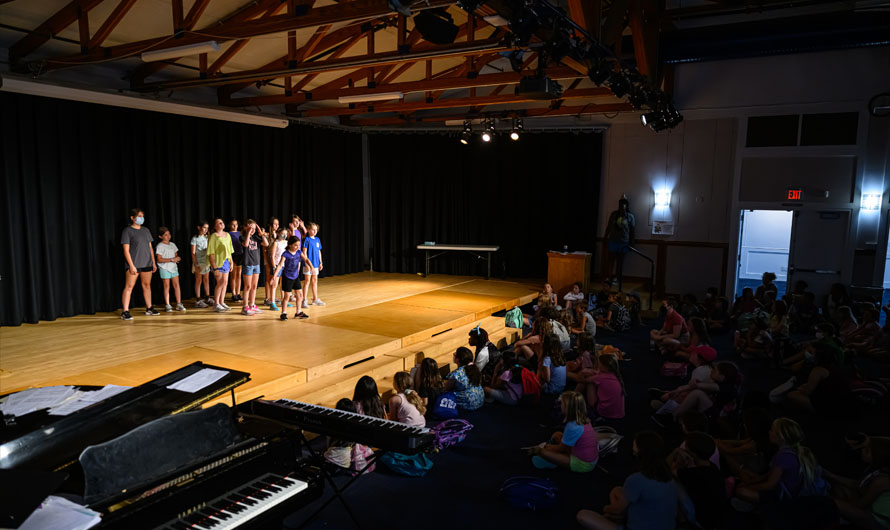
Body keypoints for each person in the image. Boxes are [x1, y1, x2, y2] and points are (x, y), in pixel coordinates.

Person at [576, 431, 683, 530]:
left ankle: (619, 523)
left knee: (583, 516)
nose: (632, 446)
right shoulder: (669, 478)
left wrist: (606, 509)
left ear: (640, 452)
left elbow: (618, 510)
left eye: (634, 445)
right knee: (617, 490)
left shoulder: (636, 479)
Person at [733, 417, 826, 507]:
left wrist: (749, 487)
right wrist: (752, 481)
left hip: (784, 498)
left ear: (781, 437)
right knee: (746, 478)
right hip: (788, 492)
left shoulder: (783, 456)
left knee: (740, 490)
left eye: (772, 430)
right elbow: (769, 475)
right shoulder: (793, 451)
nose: (769, 432)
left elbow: (770, 485)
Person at [825, 436, 890, 530]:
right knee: (838, 489)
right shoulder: (877, 471)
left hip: (880, 520)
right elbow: (858, 485)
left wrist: (845, 502)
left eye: (867, 450)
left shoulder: (881, 481)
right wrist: (830, 476)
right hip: (870, 509)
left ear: (879, 455)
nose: (862, 451)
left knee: (835, 503)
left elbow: (860, 504)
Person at [527, 391, 599, 472]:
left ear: (568, 408)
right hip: (586, 455)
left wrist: (546, 447)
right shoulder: (583, 418)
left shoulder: (572, 426)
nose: (560, 406)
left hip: (583, 464)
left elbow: (561, 448)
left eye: (562, 404)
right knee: (557, 434)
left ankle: (552, 459)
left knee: (542, 452)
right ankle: (555, 455)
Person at [669, 433, 725, 530]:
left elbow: (667, 471)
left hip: (701, 521)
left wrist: (676, 453)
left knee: (672, 483)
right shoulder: (713, 468)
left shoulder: (691, 474)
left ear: (693, 453)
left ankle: (682, 520)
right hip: (717, 519)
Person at [120, 208, 158, 320]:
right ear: (132, 218)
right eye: (139, 216)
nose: (141, 218)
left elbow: (150, 247)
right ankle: (125, 311)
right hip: (134, 263)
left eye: (142, 216)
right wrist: (131, 265)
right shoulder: (127, 231)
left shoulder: (146, 230)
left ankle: (149, 308)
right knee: (129, 287)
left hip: (147, 263)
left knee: (147, 285)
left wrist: (153, 262)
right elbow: (126, 250)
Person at [324, 398, 375, 474]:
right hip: (345, 464)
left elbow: (329, 443)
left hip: (329, 459)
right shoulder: (354, 426)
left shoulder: (332, 424)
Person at [272, 236, 308, 320]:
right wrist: (274, 276)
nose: (297, 247)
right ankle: (283, 313)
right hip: (287, 277)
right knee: (287, 296)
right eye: (295, 245)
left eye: (298, 245)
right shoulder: (285, 254)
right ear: (290, 245)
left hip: (295, 277)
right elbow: (280, 265)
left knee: (299, 295)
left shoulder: (299, 252)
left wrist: (311, 266)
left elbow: (306, 259)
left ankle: (298, 312)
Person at [603, 196, 635, 288]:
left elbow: (632, 230)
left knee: (620, 262)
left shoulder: (630, 216)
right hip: (613, 241)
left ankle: (617, 278)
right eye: (620, 205)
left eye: (624, 205)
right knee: (611, 260)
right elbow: (609, 227)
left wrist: (632, 243)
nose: (622, 206)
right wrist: (605, 237)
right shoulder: (614, 214)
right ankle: (608, 277)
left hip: (624, 242)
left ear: (627, 206)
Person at [238, 219, 269, 316]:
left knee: (254, 286)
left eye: (254, 228)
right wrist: (248, 233)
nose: (253, 230)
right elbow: (246, 244)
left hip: (256, 264)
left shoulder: (256, 237)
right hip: (248, 264)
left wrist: (261, 233)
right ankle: (245, 307)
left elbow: (266, 244)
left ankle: (252, 304)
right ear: (246, 227)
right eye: (251, 228)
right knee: (247, 286)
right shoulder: (242, 236)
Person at [582, 354, 626, 420]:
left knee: (590, 383)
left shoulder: (600, 378)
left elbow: (584, 380)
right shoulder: (616, 375)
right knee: (593, 381)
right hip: (619, 414)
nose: (597, 366)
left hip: (605, 413)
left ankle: (574, 398)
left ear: (605, 367)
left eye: (599, 364)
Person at [443, 347, 484, 411]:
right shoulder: (474, 368)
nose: (454, 356)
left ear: (458, 359)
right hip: (480, 400)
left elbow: (446, 388)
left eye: (455, 355)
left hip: (469, 404)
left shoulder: (456, 374)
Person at [155, 227, 185, 313]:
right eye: (165, 235)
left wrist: (177, 258)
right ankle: (167, 304)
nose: (168, 236)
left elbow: (176, 255)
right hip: (164, 268)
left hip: (173, 268)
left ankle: (179, 303)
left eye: (169, 234)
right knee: (166, 286)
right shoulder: (160, 246)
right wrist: (171, 259)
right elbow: (159, 259)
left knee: (176, 285)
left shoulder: (173, 245)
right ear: (161, 236)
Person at [207, 218, 234, 313]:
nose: (221, 224)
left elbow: (230, 250)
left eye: (222, 222)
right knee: (220, 282)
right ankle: (216, 303)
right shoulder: (214, 236)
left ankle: (222, 302)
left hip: (226, 262)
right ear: (215, 226)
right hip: (218, 262)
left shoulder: (228, 235)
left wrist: (231, 262)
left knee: (225, 282)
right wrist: (214, 267)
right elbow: (211, 253)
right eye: (219, 223)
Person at [190, 220, 213, 308]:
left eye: (207, 228)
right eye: (204, 227)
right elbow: (193, 253)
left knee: (206, 280)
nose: (205, 230)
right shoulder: (195, 238)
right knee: (198, 280)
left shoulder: (208, 237)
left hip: (206, 262)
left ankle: (207, 297)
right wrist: (196, 264)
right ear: (199, 228)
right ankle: (198, 300)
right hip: (199, 262)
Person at [301, 222, 324, 307]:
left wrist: (320, 262)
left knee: (314, 281)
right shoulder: (306, 239)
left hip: (316, 265)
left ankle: (315, 299)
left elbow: (319, 252)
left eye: (316, 230)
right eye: (312, 229)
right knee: (307, 281)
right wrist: (306, 263)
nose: (314, 231)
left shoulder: (317, 239)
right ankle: (304, 300)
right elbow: (304, 252)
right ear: (308, 230)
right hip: (308, 264)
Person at [267, 229, 288, 311]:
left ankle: (284, 300)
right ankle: (272, 302)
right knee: (274, 284)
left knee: (283, 284)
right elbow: (272, 256)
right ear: (278, 234)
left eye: (286, 234)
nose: (284, 235)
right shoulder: (276, 243)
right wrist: (273, 266)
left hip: (285, 265)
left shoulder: (286, 243)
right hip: (276, 265)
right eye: (282, 233)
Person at [263, 217, 280, 306]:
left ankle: (272, 297)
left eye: (278, 224)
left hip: (276, 259)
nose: (277, 226)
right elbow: (265, 249)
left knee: (274, 278)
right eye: (275, 224)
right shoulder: (266, 235)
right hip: (268, 259)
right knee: (268, 278)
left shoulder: (278, 234)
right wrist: (267, 260)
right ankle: (267, 298)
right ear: (270, 225)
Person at [227, 219, 243, 302]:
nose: (235, 226)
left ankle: (238, 292)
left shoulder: (240, 233)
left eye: (236, 224)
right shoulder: (228, 234)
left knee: (239, 275)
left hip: (240, 254)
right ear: (230, 225)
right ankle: (233, 293)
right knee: (233, 275)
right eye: (233, 224)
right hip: (233, 255)